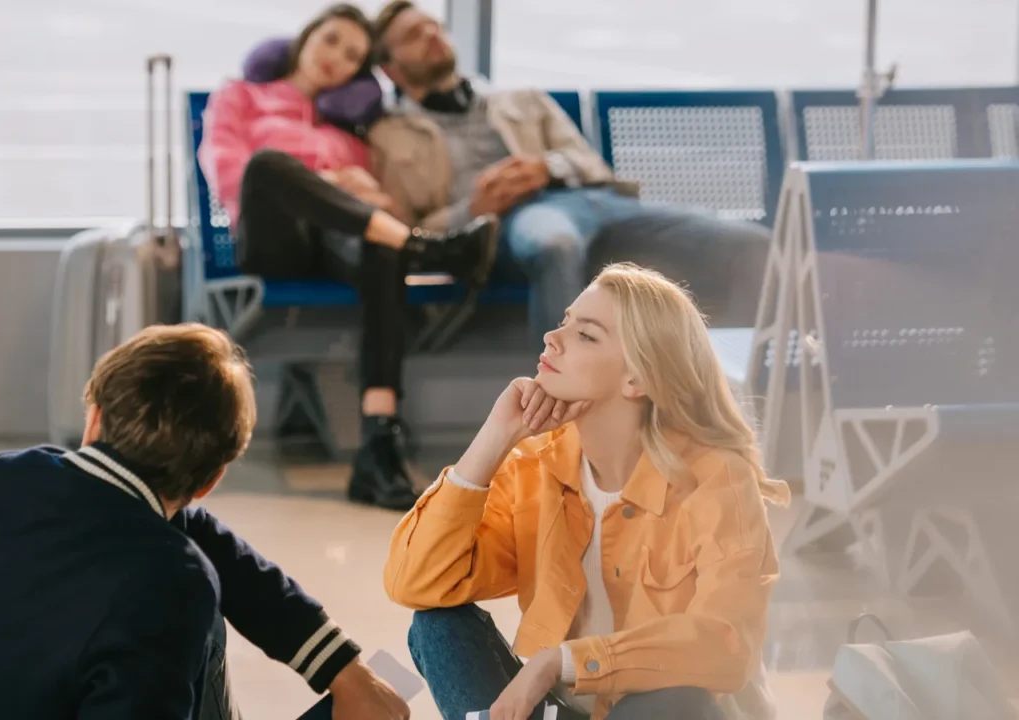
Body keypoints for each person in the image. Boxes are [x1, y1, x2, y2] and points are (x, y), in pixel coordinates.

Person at [0, 324, 410, 720]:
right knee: (202, 609)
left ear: (94, 417)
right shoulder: (173, 580)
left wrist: (346, 670)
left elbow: (222, 556)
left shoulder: (3, 479)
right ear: (210, 480)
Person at [383, 264, 791, 720]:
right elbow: (416, 582)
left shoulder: (717, 478)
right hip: (565, 710)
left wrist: (563, 661)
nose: (552, 339)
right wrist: (493, 438)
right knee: (438, 626)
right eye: (564, 322)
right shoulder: (538, 465)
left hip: (666, 712)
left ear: (636, 379)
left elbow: (725, 643)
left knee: (679, 699)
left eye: (586, 335)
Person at [198, 2, 498, 512]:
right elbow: (233, 175)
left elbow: (372, 209)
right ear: (308, 37)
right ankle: (424, 246)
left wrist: (365, 192)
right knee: (271, 164)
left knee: (382, 243)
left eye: (353, 55)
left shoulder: (349, 130)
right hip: (273, 239)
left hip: (333, 245)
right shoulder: (242, 97)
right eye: (331, 40)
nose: (336, 58)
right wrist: (333, 181)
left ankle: (378, 444)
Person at [367, 1, 770, 342]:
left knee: (752, 245)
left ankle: (733, 392)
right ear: (391, 68)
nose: (433, 36)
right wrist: (473, 208)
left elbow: (591, 163)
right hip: (516, 219)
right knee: (554, 243)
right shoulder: (389, 135)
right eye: (413, 36)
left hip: (595, 201)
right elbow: (405, 229)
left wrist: (545, 168)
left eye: (433, 26)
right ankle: (565, 419)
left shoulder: (518, 98)